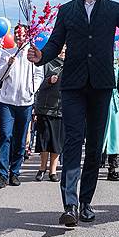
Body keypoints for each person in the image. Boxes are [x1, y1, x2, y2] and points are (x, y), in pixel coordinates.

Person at [28, 0, 119, 227]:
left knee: (94, 146)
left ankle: (86, 202)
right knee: (72, 142)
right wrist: (40, 56)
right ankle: (69, 204)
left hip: (102, 85)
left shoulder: (112, 8)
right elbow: (56, 42)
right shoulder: (67, 10)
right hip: (73, 85)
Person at [0, 25, 44, 189]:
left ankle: (15, 172)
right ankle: (2, 175)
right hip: (7, 102)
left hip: (25, 102)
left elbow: (39, 75)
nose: (19, 36)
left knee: (21, 139)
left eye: (22, 33)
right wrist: (8, 64)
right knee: (5, 136)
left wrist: (31, 90)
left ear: (27, 35)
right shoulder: (8, 52)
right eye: (16, 33)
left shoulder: (33, 52)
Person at [34, 48, 65, 182]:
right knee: (44, 140)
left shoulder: (71, 64)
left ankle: (53, 171)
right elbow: (37, 83)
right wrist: (49, 81)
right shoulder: (47, 62)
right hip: (45, 108)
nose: (63, 52)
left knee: (57, 142)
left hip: (62, 108)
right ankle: (42, 168)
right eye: (61, 50)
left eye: (65, 50)